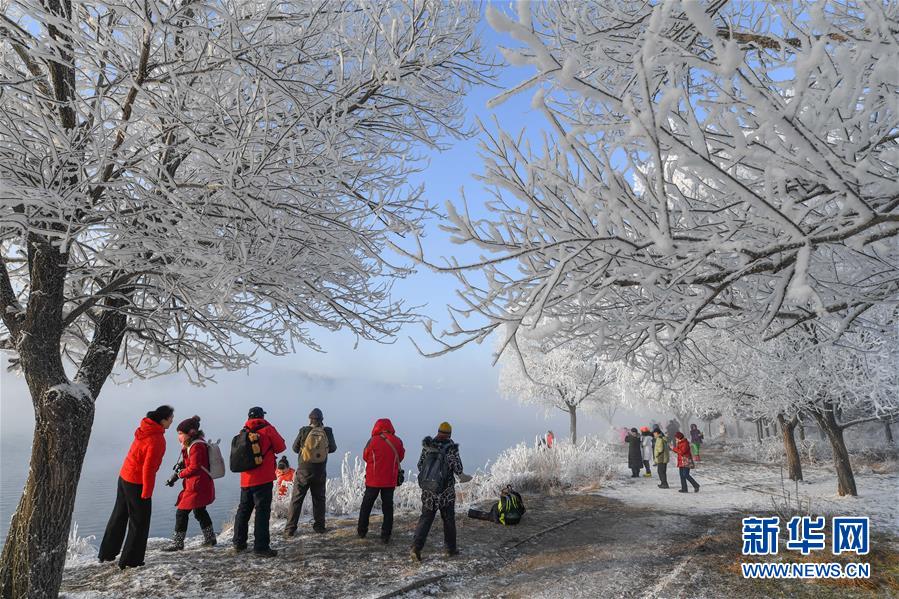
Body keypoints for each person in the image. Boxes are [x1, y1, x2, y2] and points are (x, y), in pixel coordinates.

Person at [99, 405, 174, 569]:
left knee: (119, 515)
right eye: (170, 418)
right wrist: (147, 491)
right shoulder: (157, 439)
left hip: (124, 477)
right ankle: (131, 560)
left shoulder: (144, 430)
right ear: (163, 420)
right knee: (140, 522)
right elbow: (149, 468)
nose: (172, 421)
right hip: (137, 483)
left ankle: (106, 553)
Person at [232, 406, 286, 557]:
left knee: (243, 510)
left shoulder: (243, 432)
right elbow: (281, 447)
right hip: (263, 478)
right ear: (262, 416)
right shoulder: (268, 429)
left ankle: (238, 543)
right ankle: (261, 547)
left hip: (246, 479)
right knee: (262, 512)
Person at [411, 422, 463, 562]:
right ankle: (450, 549)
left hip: (429, 491)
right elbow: (458, 469)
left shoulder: (428, 446)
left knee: (426, 518)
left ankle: (416, 547)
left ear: (438, 432)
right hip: (446, 492)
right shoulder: (451, 448)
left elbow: (420, 465)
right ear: (450, 434)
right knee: (448, 519)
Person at [162, 416, 217, 551]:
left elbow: (194, 467)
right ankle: (210, 539)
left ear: (190, 432)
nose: (179, 436)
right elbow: (192, 462)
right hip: (200, 483)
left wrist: (180, 474)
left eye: (180, 433)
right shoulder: (195, 443)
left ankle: (178, 544)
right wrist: (180, 467)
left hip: (196, 485)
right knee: (200, 511)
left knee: (182, 513)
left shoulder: (196, 445)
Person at [284, 407, 337, 537]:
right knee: (319, 499)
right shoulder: (327, 431)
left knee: (296, 499)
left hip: (304, 470)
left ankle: (290, 529)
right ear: (322, 419)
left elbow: (295, 448)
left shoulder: (304, 430)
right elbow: (333, 448)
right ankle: (319, 527)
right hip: (320, 470)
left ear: (310, 419)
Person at [358, 418, 405, 543]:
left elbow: (365, 456)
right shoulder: (397, 441)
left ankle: (362, 531)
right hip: (389, 480)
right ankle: (385, 535)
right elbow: (400, 456)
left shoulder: (372, 440)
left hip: (373, 480)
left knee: (366, 506)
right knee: (388, 508)